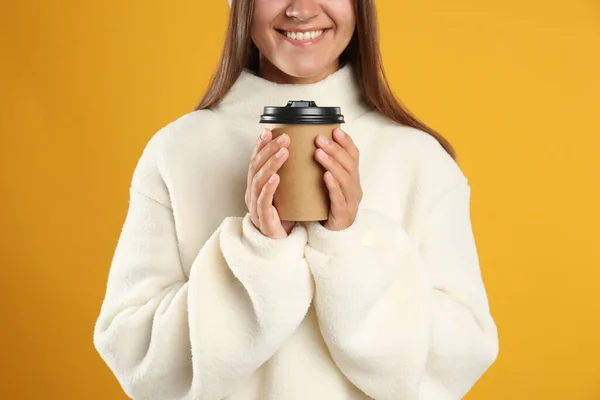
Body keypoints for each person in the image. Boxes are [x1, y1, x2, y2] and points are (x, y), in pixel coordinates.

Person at [93, 0, 499, 399]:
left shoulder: (420, 160)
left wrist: (350, 248)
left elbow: (459, 359)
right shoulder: (177, 152)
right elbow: (136, 360)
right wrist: (258, 253)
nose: (302, 10)